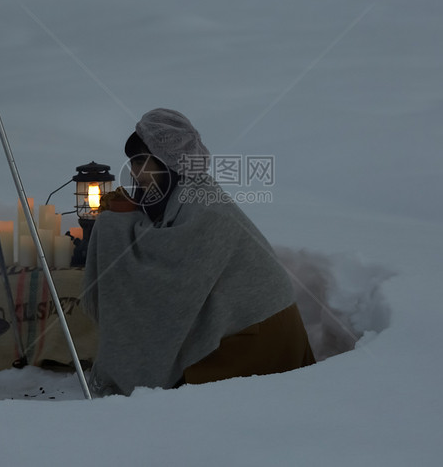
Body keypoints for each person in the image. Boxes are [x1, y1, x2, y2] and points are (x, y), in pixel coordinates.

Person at [82, 108, 314, 396]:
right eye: (132, 162)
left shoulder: (205, 209)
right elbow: (162, 240)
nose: (134, 172)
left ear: (169, 161)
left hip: (259, 335)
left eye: (142, 161)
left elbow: (170, 280)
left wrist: (113, 227)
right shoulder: (185, 193)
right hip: (239, 327)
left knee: (182, 395)